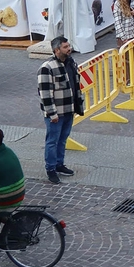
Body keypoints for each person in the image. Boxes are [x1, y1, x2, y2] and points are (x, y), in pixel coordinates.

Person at [37, 36, 82, 184]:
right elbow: (45, 94)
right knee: (52, 141)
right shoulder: (47, 68)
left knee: (62, 140)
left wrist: (77, 106)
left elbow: (75, 85)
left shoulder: (71, 63)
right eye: (65, 47)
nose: (69, 49)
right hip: (56, 113)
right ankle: (50, 169)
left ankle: (59, 164)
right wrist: (52, 113)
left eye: (68, 46)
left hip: (68, 110)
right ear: (57, 50)